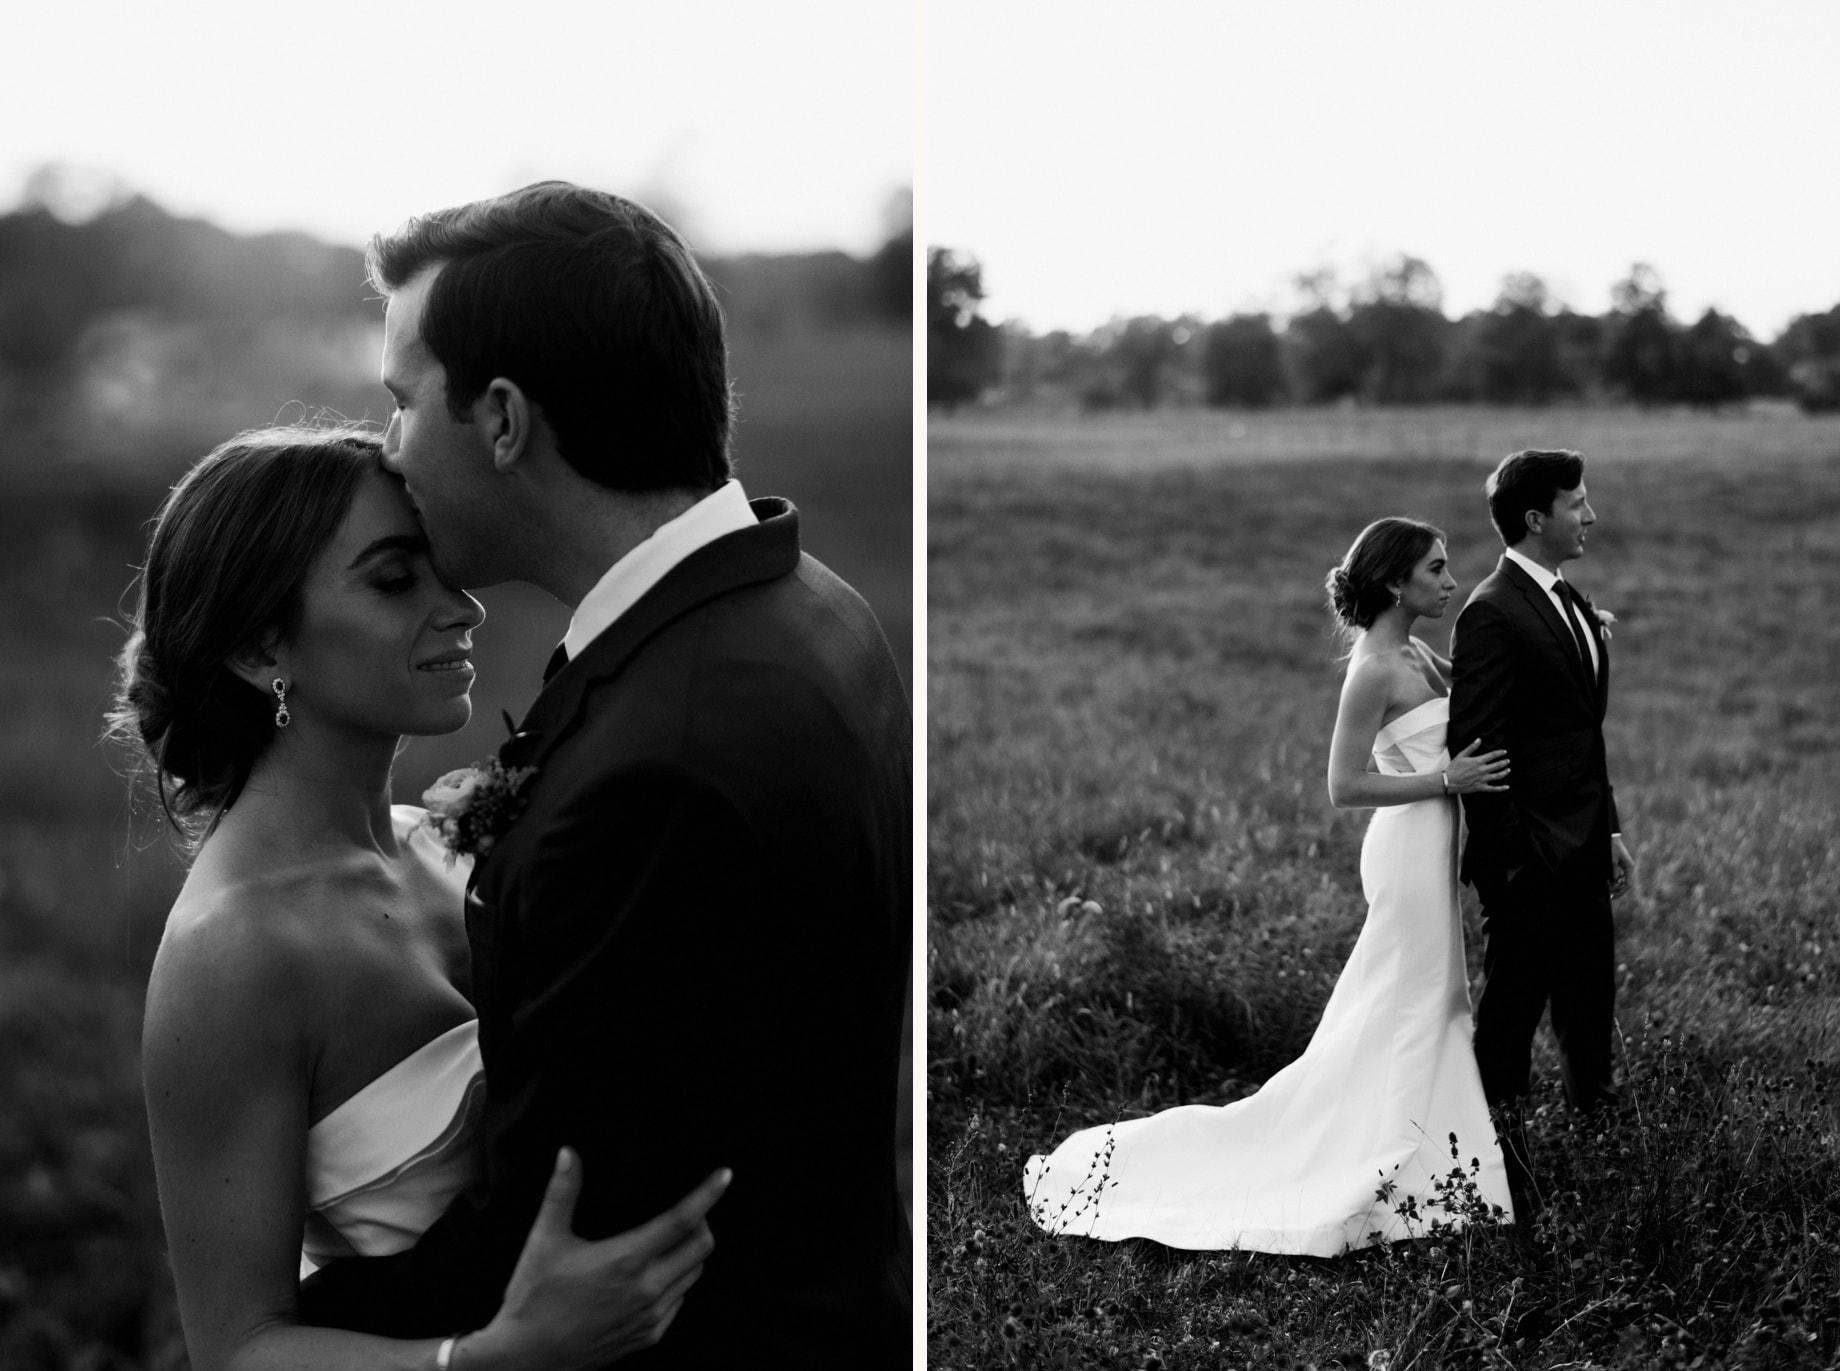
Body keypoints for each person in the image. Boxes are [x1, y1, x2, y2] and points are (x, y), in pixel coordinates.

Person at [293, 183, 912, 1365]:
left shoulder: (657, 766)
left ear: (506, 418)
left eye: (402, 403)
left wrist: (276, 1339)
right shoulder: (807, 602)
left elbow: (564, 1233)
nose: (389, 449)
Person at [116, 426, 731, 1371]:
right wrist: (498, 1358)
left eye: (443, 567)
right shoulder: (233, 951)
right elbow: (238, 1348)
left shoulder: (440, 838)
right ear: (256, 645)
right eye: (397, 579)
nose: (465, 609)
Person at [1023, 518, 1514, 1254]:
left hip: (1434, 843)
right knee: (1415, 997)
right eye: (1437, 570)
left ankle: (1428, 1151)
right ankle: (1401, 1160)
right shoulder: (1374, 667)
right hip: (1407, 849)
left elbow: (1483, 683)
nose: (1450, 582)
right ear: (1393, 583)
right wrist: (1446, 779)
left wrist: (1572, 634)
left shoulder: (1416, 649)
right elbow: (1344, 784)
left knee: (1429, 996)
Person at [1449, 449, 1637, 1224]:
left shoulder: (1568, 597)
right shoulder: (1491, 610)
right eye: (1578, 504)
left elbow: (1576, 735)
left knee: (1591, 1009)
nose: (1590, 516)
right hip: (1529, 863)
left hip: (1587, 847)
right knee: (1511, 1024)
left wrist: (1613, 830)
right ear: (1537, 518)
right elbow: (1479, 748)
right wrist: (1513, 866)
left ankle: (1607, 1163)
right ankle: (1501, 1176)